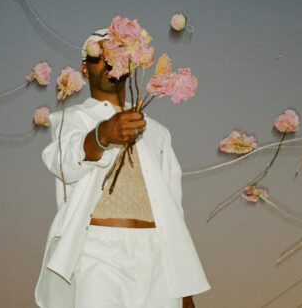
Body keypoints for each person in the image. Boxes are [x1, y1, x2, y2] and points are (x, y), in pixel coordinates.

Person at [35, 29, 210, 308]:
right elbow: (63, 162)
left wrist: (184, 289)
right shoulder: (71, 119)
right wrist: (102, 135)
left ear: (129, 65)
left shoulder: (157, 132)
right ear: (85, 67)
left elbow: (173, 210)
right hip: (99, 253)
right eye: (99, 56)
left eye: (116, 55)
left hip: (158, 257)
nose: (107, 62)